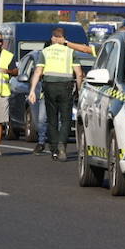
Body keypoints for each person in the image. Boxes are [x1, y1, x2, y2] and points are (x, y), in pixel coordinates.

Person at [28, 26, 84, 161]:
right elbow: (79, 73)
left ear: (53, 38)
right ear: (64, 38)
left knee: (52, 119)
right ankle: (62, 146)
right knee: (65, 119)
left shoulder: (45, 52)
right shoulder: (70, 52)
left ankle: (53, 149)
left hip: (49, 87)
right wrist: (79, 90)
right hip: (65, 87)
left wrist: (32, 91)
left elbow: (38, 72)